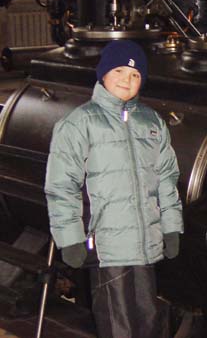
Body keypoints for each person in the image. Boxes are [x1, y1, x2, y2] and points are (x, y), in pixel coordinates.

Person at [44, 40, 183, 338]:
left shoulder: (152, 122)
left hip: (146, 247)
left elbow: (167, 179)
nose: (126, 79)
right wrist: (70, 238)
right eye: (119, 70)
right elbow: (61, 185)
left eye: (135, 75)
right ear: (103, 73)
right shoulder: (80, 123)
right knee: (118, 325)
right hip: (107, 249)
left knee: (149, 319)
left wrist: (171, 227)